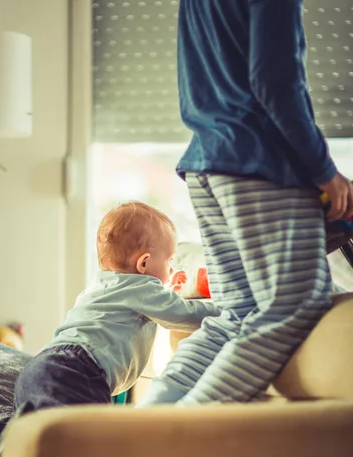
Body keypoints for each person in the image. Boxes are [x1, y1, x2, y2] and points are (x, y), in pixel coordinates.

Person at [138, 0, 353, 407]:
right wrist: (324, 170)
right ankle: (180, 434)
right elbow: (276, 81)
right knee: (293, 306)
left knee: (238, 314)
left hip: (207, 161)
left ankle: (152, 419)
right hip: (259, 161)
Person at [13, 201, 220, 411]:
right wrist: (227, 310)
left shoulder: (98, 286)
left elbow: (138, 303)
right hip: (77, 371)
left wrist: (166, 289)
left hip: (39, 366)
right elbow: (184, 314)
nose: (172, 267)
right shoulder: (144, 289)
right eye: (169, 260)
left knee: (34, 437)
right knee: (91, 438)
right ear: (144, 263)